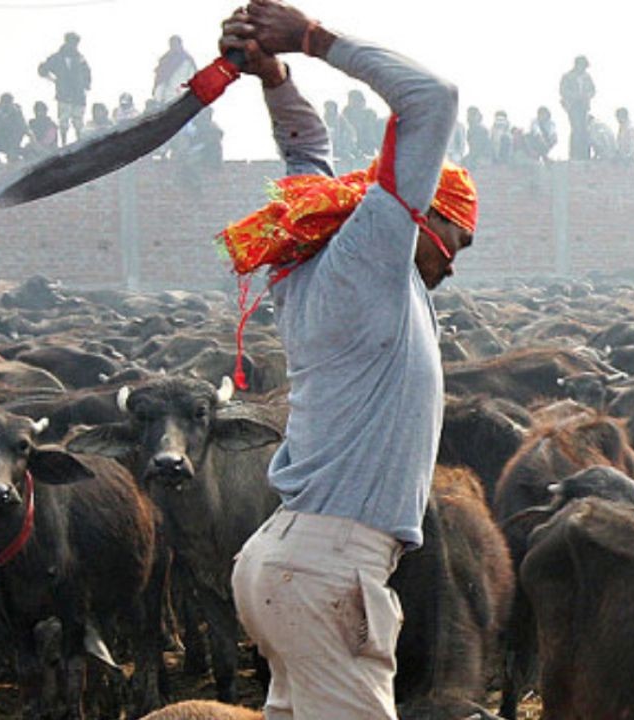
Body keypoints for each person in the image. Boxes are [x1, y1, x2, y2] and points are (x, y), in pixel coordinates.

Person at [220, 2, 477, 718]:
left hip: (287, 560)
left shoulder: (321, 257)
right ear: (417, 215)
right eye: (456, 241)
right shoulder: (371, 258)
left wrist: (276, 81)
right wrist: (312, 41)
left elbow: (308, 160)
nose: (453, 265)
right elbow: (432, 100)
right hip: (330, 571)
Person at [38, 31, 91, 145]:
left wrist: (85, 85)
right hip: (64, 93)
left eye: (75, 43)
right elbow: (42, 69)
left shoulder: (80, 58)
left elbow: (87, 73)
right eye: (71, 42)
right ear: (66, 42)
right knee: (64, 120)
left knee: (78, 121)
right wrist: (53, 80)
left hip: (78, 94)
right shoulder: (56, 58)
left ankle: (79, 142)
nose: (73, 45)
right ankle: (64, 143)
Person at [559, 55, 595, 160]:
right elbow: (563, 91)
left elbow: (593, 90)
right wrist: (575, 96)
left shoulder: (587, 77)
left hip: (584, 105)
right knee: (576, 129)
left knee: (584, 129)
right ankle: (574, 154)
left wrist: (587, 96)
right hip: (573, 106)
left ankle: (585, 154)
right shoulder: (567, 76)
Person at [153, 35, 198, 103]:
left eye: (176, 43)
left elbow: (193, 76)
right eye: (172, 44)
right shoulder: (166, 59)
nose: (174, 46)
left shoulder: (187, 60)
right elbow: (160, 76)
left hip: (181, 89)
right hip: (167, 90)